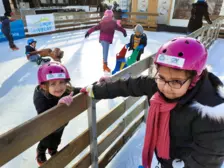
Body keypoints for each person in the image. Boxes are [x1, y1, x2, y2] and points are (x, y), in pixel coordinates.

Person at [81, 37, 224, 168]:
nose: (165, 87)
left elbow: (207, 160)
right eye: (161, 77)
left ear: (194, 80)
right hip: (167, 156)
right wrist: (98, 90)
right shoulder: (158, 85)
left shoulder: (210, 113)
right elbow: (130, 85)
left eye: (176, 81)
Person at [33, 62, 81, 166]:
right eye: (53, 84)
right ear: (44, 86)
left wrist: (89, 87)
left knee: (57, 137)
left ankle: (52, 149)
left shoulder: (65, 90)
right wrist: (58, 107)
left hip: (62, 121)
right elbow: (44, 116)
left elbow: (77, 90)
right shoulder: (40, 98)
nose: (58, 87)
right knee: (47, 138)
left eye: (61, 82)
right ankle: (40, 151)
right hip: (48, 125)